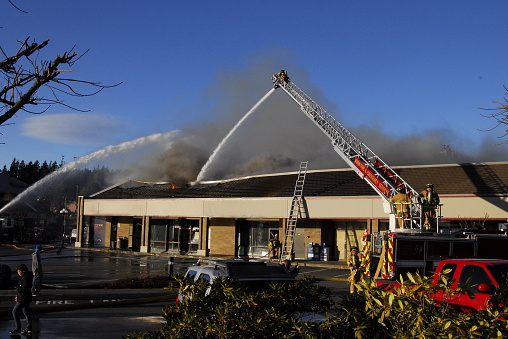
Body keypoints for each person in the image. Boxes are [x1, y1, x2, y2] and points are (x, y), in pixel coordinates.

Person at [11, 264, 33, 335]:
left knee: (15, 312)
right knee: (26, 312)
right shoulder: (25, 277)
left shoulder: (26, 278)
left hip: (23, 298)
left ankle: (18, 328)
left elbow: (25, 288)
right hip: (24, 297)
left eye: (18, 271)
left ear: (22, 271)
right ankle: (29, 328)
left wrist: (18, 289)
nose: (18, 273)